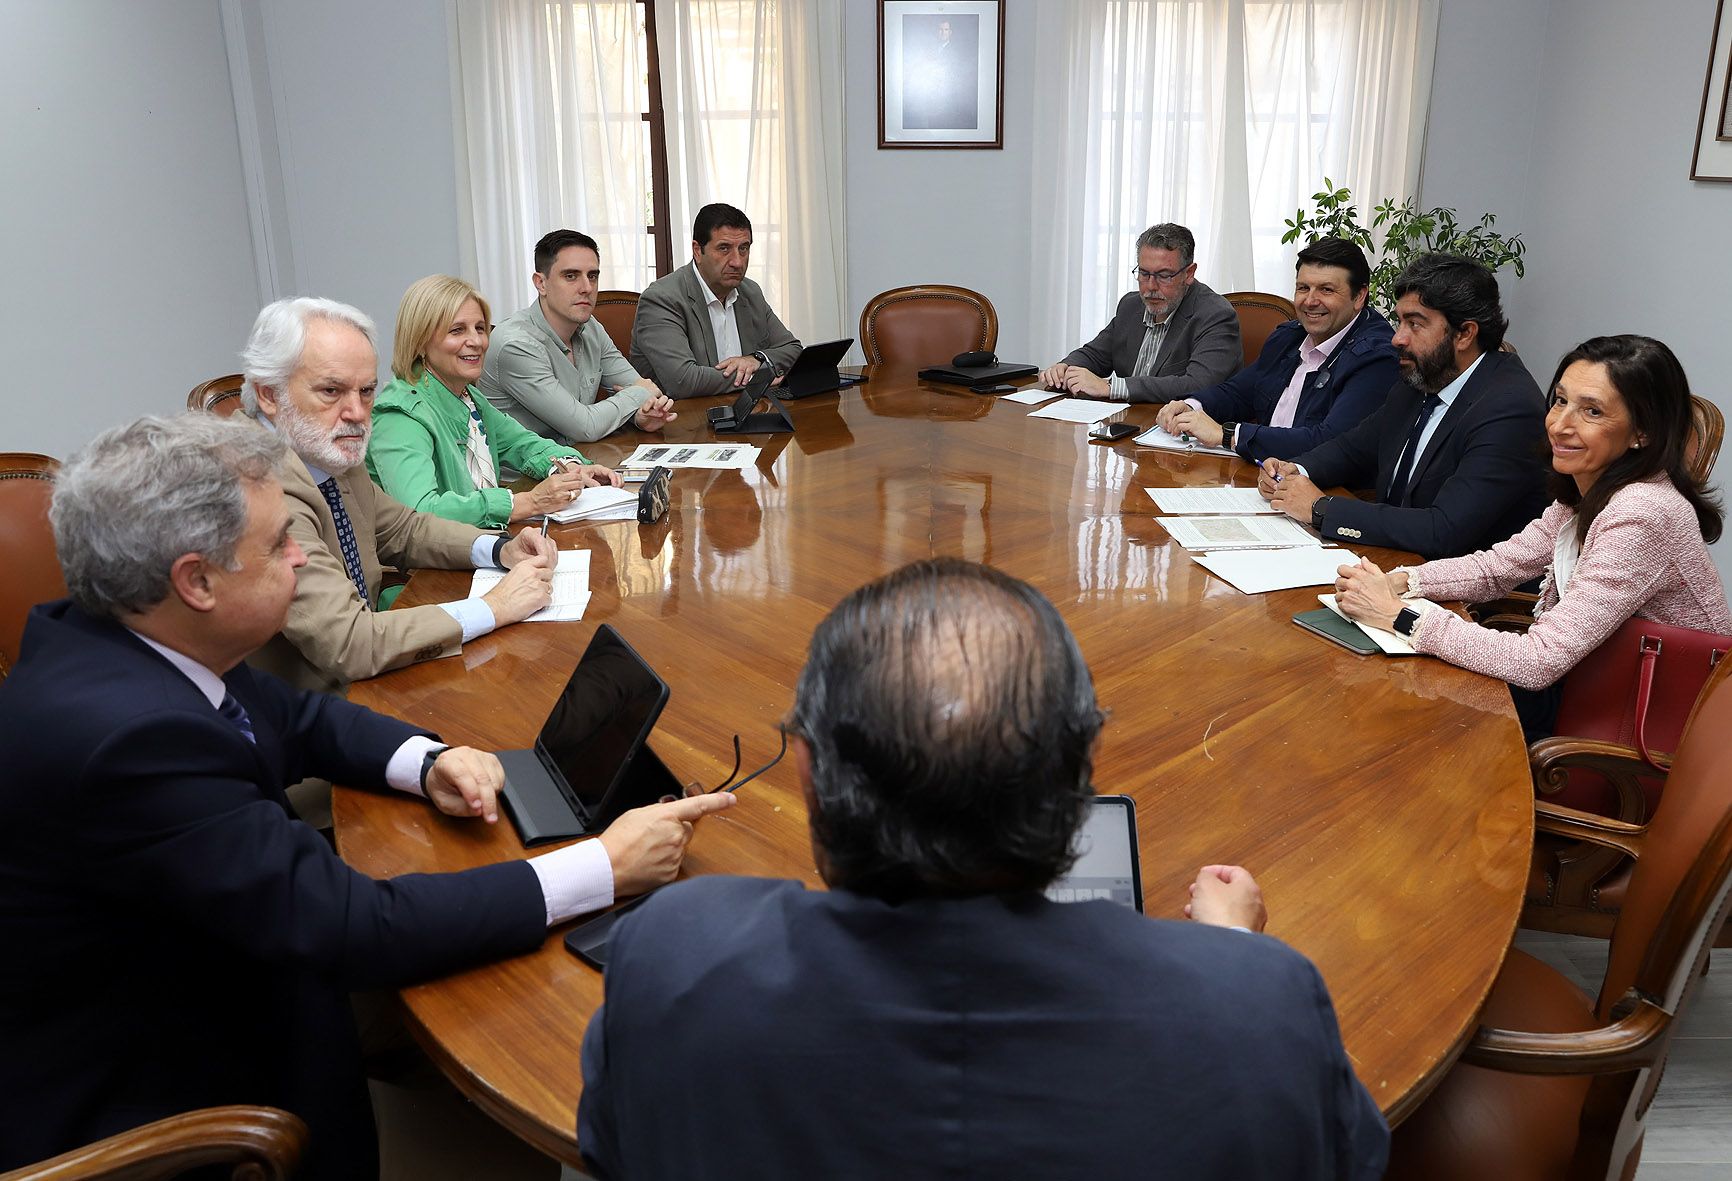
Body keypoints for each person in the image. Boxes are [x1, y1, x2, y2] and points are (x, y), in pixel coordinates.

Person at [0, 414, 734, 1178]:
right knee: (553, 1032)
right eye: (280, 542)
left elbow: (302, 718)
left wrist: (429, 760)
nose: (299, 558)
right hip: (177, 1086)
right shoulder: (131, 740)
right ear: (197, 580)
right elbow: (352, 927)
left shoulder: (125, 635)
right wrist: (601, 867)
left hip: (208, 956)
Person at [577, 558, 1389, 1180]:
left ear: (808, 774)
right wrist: (1234, 954)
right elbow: (1343, 1151)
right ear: (1083, 773)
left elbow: (614, 1141)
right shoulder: (1262, 1003)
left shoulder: (671, 952)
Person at [1335, 334, 1731, 738]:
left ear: (1642, 432)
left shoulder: (1643, 513)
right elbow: (1498, 567)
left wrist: (1400, 616)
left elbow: (1538, 661)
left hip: (1638, 731)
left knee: (1407, 716)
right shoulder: (1590, 488)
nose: (1559, 425)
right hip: (1587, 686)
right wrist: (1402, 582)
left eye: (1591, 411)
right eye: (1560, 400)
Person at [240, 297, 555, 696]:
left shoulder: (324, 446)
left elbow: (403, 529)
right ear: (269, 395)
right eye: (331, 391)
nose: (356, 411)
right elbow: (350, 643)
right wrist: (495, 607)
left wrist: (499, 550)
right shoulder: (258, 484)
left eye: (367, 390)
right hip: (305, 709)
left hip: (368, 677)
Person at [1258, 252, 1548, 559]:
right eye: (1399, 321)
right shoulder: (1423, 377)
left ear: (1464, 333)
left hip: (1460, 594)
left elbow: (1444, 530)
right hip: (1388, 560)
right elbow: (1351, 449)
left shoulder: (1510, 410)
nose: (1397, 338)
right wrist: (1295, 471)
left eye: (1415, 324)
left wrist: (1320, 509)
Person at [368, 274, 621, 529]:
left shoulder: (469, 395)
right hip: (430, 567)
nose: (477, 342)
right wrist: (527, 503)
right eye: (457, 330)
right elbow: (420, 514)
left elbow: (523, 444)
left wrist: (570, 467)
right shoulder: (399, 416)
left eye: (480, 328)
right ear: (420, 341)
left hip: (482, 546)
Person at [1155, 237, 1398, 461]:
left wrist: (1227, 434)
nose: (1310, 301)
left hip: (1327, 493)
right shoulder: (1289, 336)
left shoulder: (1377, 358)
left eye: (1326, 290)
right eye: (1303, 288)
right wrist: (1190, 406)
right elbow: (1239, 393)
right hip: (1263, 474)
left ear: (1359, 297)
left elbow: (1329, 441)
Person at [480, 229, 679, 445]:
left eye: (592, 276)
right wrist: (636, 395)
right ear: (541, 283)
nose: (586, 288)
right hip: (526, 476)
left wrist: (639, 416)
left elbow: (648, 394)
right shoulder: (515, 345)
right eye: (571, 276)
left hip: (582, 461)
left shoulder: (590, 327)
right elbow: (586, 427)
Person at [1038, 222, 1241, 404]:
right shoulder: (1131, 305)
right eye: (1144, 273)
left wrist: (1111, 388)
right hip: (1126, 422)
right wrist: (1066, 367)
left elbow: (1197, 385)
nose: (1150, 286)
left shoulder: (1215, 315)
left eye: (1164, 276)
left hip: (1179, 432)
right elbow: (1095, 354)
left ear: (1189, 273)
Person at [628, 203, 802, 399]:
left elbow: (793, 350)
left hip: (743, 413)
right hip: (679, 420)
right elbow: (683, 381)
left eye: (743, 248)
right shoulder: (662, 299)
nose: (737, 261)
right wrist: (759, 376)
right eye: (724, 248)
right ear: (697, 250)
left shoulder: (749, 291)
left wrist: (756, 359)